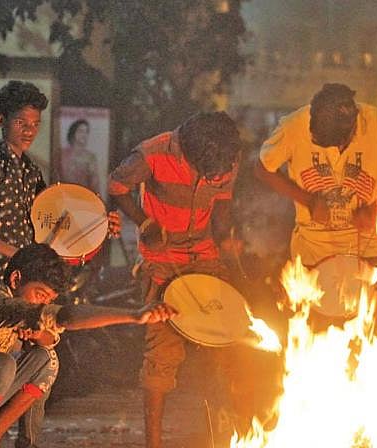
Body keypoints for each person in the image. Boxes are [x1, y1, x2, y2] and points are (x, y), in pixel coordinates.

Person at [0, 80, 120, 448]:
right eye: (21, 123)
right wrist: (16, 254)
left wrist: (100, 226)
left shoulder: (32, 174)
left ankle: (26, 442)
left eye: (34, 124)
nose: (29, 130)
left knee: (43, 359)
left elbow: (55, 229)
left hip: (28, 288)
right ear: (2, 120)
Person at [0, 243, 176, 448]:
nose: (43, 304)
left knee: (46, 359)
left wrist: (38, 336)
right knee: (2, 365)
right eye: (40, 295)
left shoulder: (9, 301)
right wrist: (135, 315)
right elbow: (67, 318)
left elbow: (49, 337)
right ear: (16, 279)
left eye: (49, 300)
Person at [108, 111, 244, 448]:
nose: (220, 176)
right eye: (211, 173)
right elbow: (116, 185)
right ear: (191, 156)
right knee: (162, 355)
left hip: (206, 256)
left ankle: (225, 436)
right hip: (162, 263)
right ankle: (154, 444)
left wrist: (233, 262)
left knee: (227, 343)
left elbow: (223, 211)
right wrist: (144, 223)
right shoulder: (153, 153)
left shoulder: (225, 155)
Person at [255, 83, 377, 269]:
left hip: (369, 253)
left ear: (353, 126)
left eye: (339, 144)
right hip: (311, 254)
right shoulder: (295, 125)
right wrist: (309, 201)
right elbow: (263, 168)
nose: (336, 149)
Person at [60, 118, 100, 191]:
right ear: (73, 132)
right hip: (63, 196)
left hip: (83, 197)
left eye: (86, 132)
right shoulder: (62, 154)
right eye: (81, 131)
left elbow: (95, 184)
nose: (84, 135)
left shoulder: (90, 157)